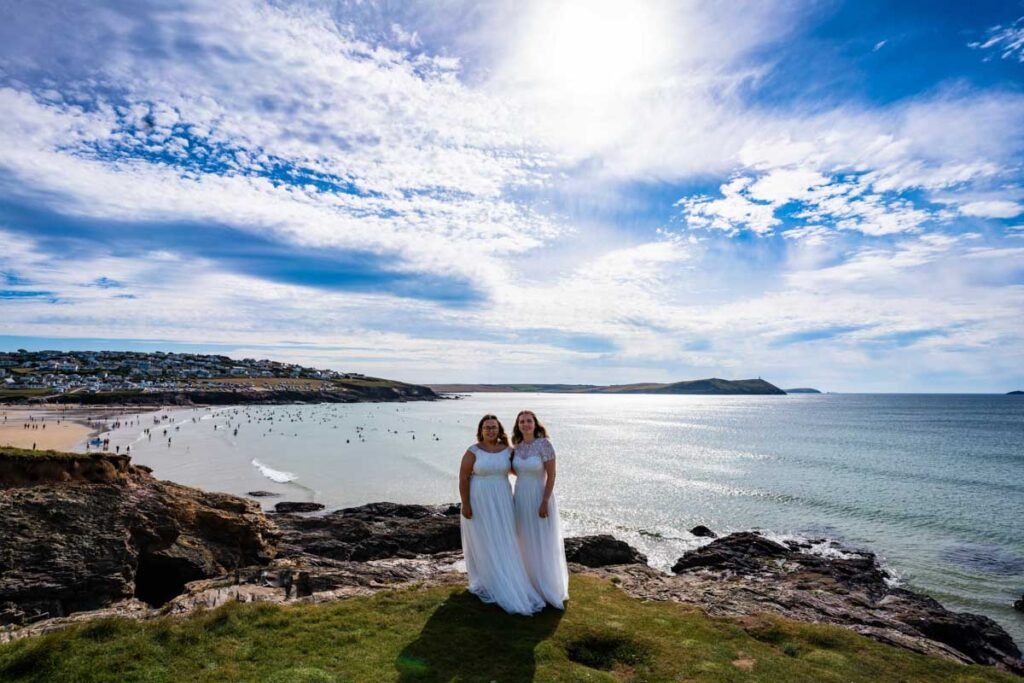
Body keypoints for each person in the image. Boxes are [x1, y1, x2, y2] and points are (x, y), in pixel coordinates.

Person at [459, 414, 545, 615]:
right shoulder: (472, 451)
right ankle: (488, 579)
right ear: (481, 430)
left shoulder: (508, 451)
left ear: (499, 430)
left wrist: (539, 484)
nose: (490, 430)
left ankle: (506, 577)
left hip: (503, 500)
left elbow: (522, 469)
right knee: (484, 539)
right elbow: (463, 478)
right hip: (479, 499)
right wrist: (465, 504)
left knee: (504, 538)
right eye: (487, 427)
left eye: (494, 427)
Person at [511, 410, 569, 609]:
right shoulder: (516, 448)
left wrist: (544, 501)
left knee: (542, 540)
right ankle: (527, 584)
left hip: (539, 496)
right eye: (521, 422)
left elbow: (552, 476)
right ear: (518, 425)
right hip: (520, 497)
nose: (525, 424)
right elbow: (511, 469)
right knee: (524, 539)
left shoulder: (545, 444)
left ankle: (546, 587)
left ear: (535, 424)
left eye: (529, 421)